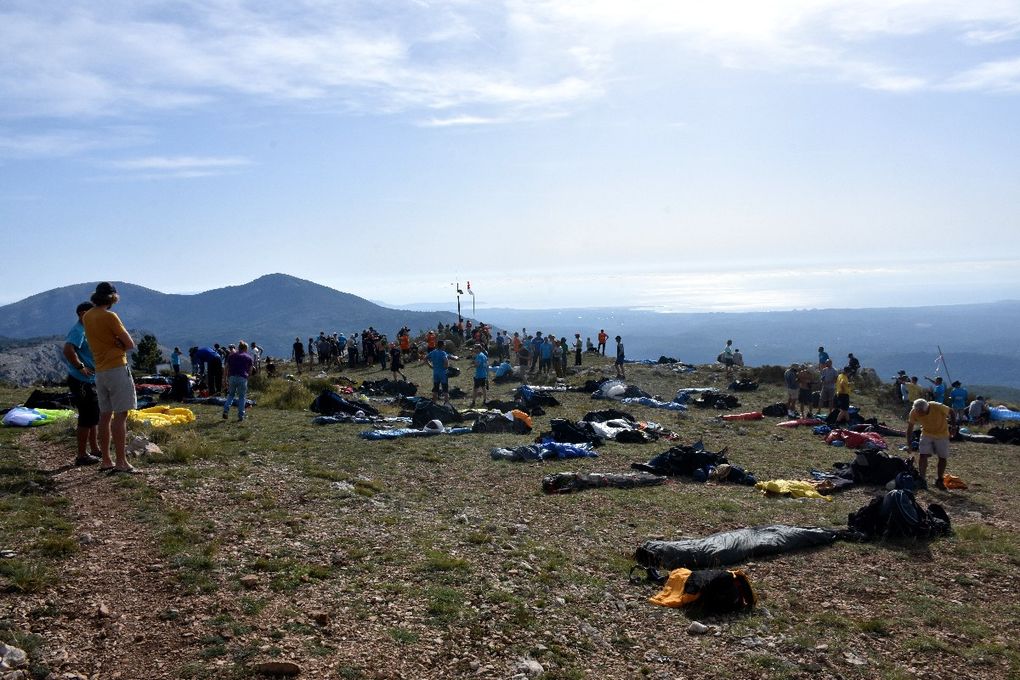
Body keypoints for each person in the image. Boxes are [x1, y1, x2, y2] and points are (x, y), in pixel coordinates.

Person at [81, 282, 137, 474]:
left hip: (100, 370)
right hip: (116, 368)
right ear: (112, 298)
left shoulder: (88, 316)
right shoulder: (110, 316)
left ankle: (106, 460)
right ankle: (121, 462)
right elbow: (129, 344)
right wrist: (119, 344)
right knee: (121, 415)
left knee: (104, 416)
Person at [62, 301, 101, 466]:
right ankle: (81, 455)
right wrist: (80, 367)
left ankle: (94, 448)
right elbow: (68, 349)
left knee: (94, 415)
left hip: (90, 380)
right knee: (86, 416)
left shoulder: (87, 329)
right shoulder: (78, 330)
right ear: (82, 313)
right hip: (81, 381)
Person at [907, 398, 956, 490]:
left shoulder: (937, 406)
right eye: (918, 413)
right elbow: (910, 429)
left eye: (922, 413)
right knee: (923, 455)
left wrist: (954, 427)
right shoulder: (914, 412)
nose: (920, 415)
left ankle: (939, 480)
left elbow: (951, 411)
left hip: (942, 434)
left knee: (942, 457)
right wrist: (909, 444)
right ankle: (922, 480)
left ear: (927, 408)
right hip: (926, 434)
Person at [223, 340, 254, 422]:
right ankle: (241, 415)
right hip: (242, 378)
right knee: (242, 397)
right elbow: (250, 370)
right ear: (245, 349)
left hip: (232, 377)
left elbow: (226, 368)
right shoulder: (248, 357)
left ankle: (226, 410)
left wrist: (224, 379)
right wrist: (248, 378)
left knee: (231, 395)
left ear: (238, 348)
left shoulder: (231, 356)